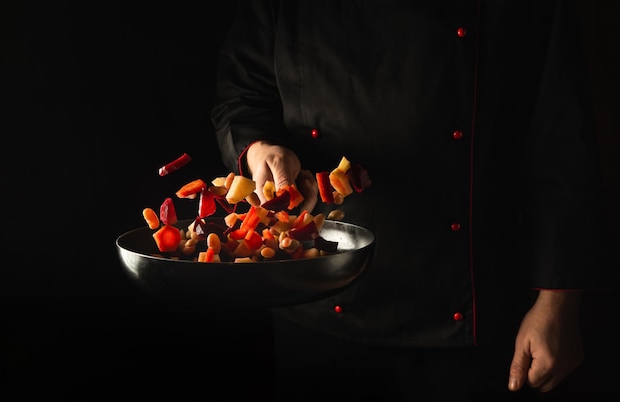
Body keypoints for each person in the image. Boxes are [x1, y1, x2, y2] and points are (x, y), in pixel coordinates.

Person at [210, 1, 609, 400]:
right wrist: (260, 150)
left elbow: (560, 136)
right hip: (316, 296)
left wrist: (558, 301)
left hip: (469, 311)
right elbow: (241, 93)